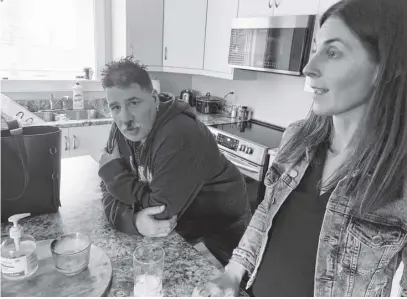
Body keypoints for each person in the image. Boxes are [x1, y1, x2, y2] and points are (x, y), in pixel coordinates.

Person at [193, 0, 407, 296]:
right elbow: (265, 213)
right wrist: (233, 272)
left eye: (332, 52)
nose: (309, 67)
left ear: (388, 67)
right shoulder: (297, 138)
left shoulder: (399, 174)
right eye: (315, 48)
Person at [97, 56, 251, 264]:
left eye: (134, 103)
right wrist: (133, 220)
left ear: (153, 97)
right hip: (181, 229)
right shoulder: (122, 127)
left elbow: (160, 213)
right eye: (115, 107)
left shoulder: (180, 134)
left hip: (220, 234)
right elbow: (107, 184)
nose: (125, 118)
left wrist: (114, 175)